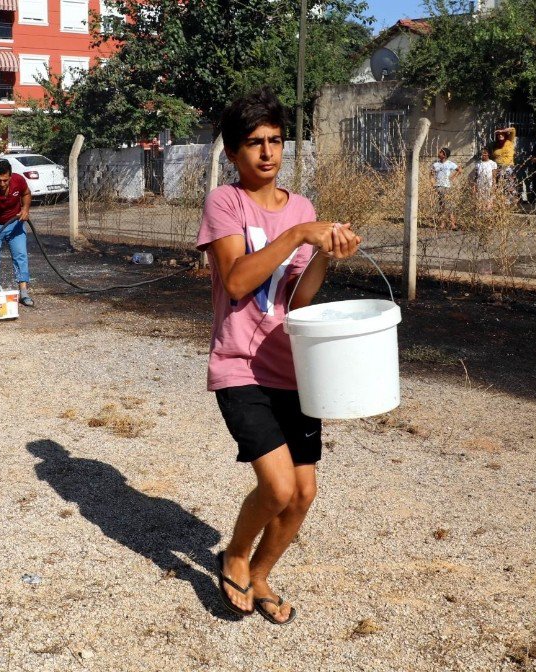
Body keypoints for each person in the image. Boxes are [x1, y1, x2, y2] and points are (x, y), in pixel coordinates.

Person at [196, 88, 361, 625]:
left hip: (291, 369)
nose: (266, 153)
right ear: (232, 153)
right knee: (278, 484)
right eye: (253, 144)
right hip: (239, 366)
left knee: (304, 492)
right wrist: (294, 235)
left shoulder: (302, 207)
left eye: (275, 141)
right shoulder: (226, 202)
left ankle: (261, 573)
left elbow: (299, 298)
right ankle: (236, 555)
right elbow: (239, 280)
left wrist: (323, 252)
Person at [0, 159, 35, 307]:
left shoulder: (19, 180)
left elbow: (26, 193)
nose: (2, 184)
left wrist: (25, 209)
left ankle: (23, 292)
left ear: (10, 176)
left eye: (5, 180)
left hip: (15, 224)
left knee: (20, 255)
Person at [430, 147, 461, 229]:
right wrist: (433, 184)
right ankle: (442, 223)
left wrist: (453, 177)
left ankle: (453, 224)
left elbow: (459, 170)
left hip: (446, 186)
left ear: (444, 155)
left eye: (440, 152)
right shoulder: (435, 164)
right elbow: (431, 174)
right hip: (438, 187)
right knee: (441, 205)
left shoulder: (450, 163)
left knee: (448, 205)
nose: (438, 153)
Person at [492, 126, 517, 200]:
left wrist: (502, 130)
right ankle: (500, 203)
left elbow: (513, 130)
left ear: (505, 135)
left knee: (509, 186)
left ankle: (509, 204)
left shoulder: (509, 141)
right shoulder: (496, 145)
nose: (500, 135)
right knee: (499, 186)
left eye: (502, 134)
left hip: (508, 167)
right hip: (498, 168)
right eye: (498, 135)